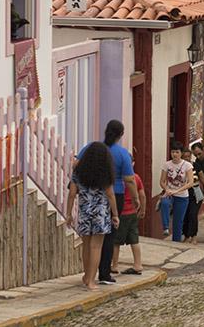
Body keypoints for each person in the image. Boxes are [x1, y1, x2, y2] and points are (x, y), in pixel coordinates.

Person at [77, 120, 139, 286]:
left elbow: (76, 163)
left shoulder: (91, 148)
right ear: (121, 135)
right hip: (113, 196)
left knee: (88, 241)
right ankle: (104, 273)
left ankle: (88, 275)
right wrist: (135, 198)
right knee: (108, 237)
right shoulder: (122, 153)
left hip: (88, 199)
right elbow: (129, 179)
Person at [66, 142, 119, 291]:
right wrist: (115, 214)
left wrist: (69, 214)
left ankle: (86, 276)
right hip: (100, 214)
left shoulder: (78, 172)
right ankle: (91, 280)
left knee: (86, 247)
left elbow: (71, 194)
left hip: (84, 212)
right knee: (96, 247)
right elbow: (110, 195)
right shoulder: (105, 173)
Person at [111, 158, 146, 276]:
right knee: (134, 239)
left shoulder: (117, 179)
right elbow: (142, 195)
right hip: (133, 212)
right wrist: (142, 210)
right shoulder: (136, 177)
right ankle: (138, 264)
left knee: (116, 241)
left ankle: (114, 265)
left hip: (121, 213)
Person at [160, 141, 194, 243]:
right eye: (173, 152)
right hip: (169, 193)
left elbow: (190, 182)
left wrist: (178, 190)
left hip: (182, 196)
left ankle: (176, 242)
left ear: (181, 153)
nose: (174, 154)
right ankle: (165, 227)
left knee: (178, 222)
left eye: (177, 152)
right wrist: (167, 189)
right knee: (164, 203)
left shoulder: (187, 165)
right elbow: (162, 181)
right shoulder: (167, 165)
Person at [182, 148, 201, 244]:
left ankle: (194, 235)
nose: (187, 159)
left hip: (195, 193)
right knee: (185, 215)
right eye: (185, 157)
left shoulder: (195, 165)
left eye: (188, 157)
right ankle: (186, 235)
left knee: (193, 215)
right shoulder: (180, 167)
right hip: (184, 194)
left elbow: (202, 178)